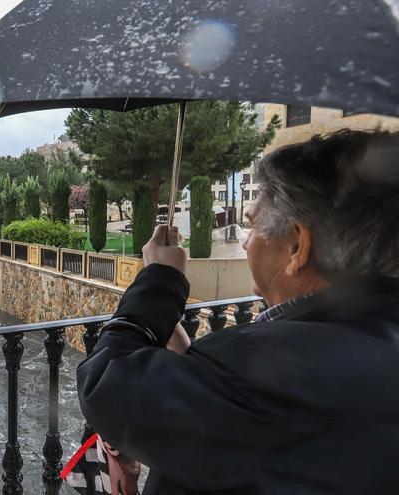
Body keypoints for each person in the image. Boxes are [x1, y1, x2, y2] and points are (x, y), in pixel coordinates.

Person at [76, 129, 399, 494]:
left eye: (251, 224)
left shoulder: (270, 370)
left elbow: (105, 386)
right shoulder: (374, 338)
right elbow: (242, 430)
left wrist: (159, 281)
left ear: (297, 246)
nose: (245, 241)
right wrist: (187, 358)